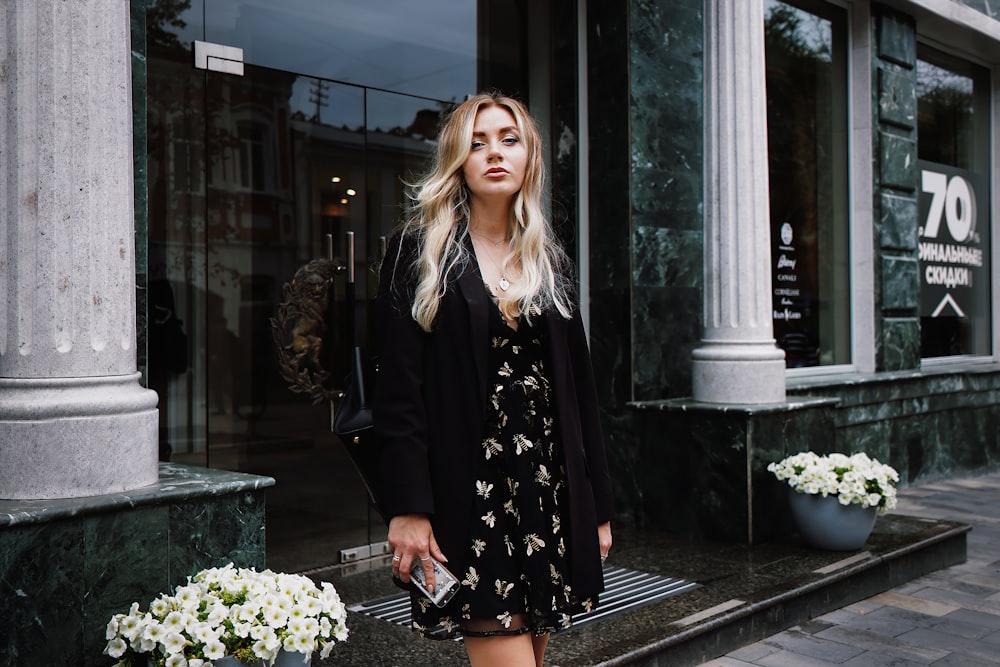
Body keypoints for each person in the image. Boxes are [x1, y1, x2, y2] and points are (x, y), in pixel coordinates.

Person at [373, 91, 614, 667]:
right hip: (469, 492)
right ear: (457, 159)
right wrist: (407, 508)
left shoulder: (546, 259)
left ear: (529, 156)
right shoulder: (421, 251)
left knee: (534, 651)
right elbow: (398, 392)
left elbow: (581, 395)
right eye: (476, 143)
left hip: (545, 491)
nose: (494, 153)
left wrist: (597, 507)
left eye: (509, 139)